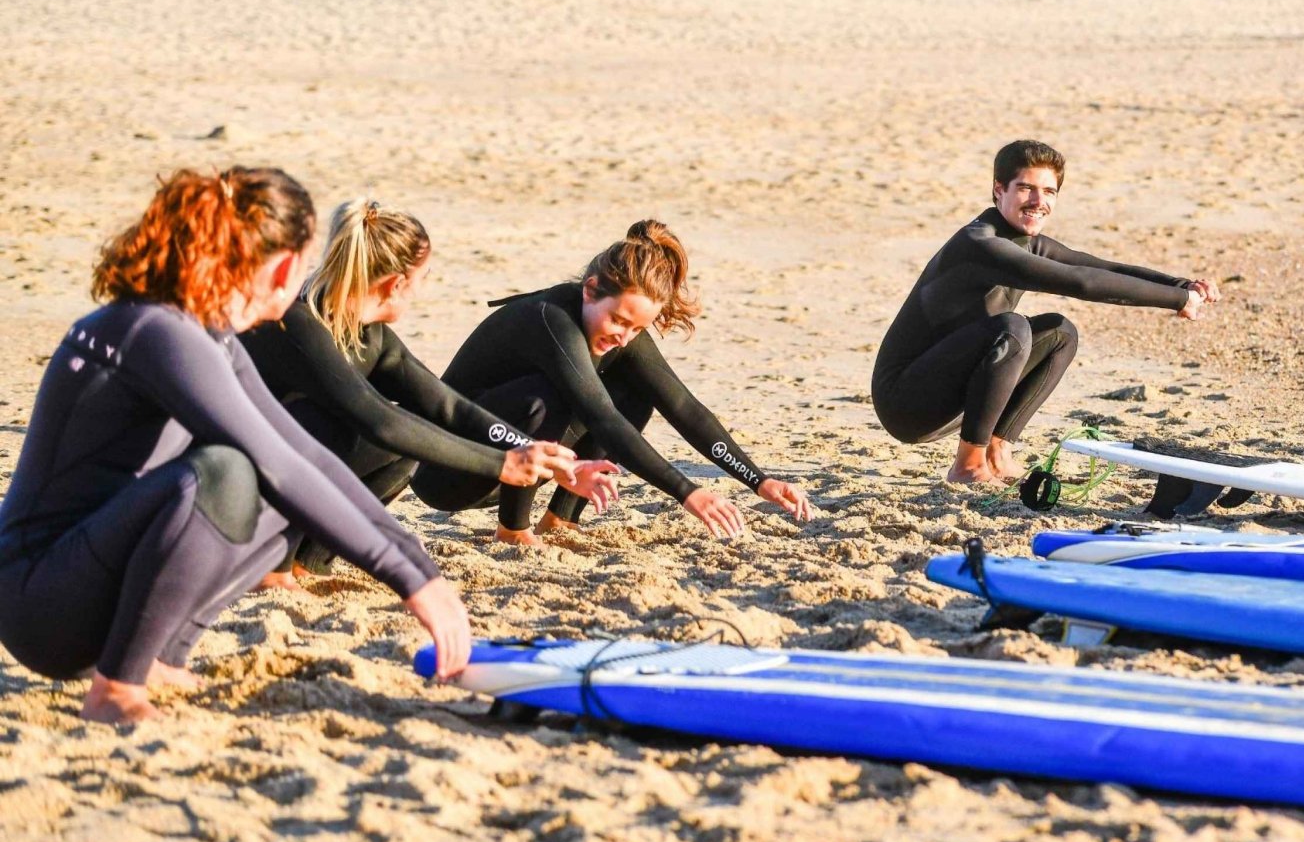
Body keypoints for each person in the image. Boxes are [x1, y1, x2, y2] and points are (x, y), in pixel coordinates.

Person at [0, 168, 473, 724]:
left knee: (276, 481)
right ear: (284, 266)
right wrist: (411, 581)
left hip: (84, 585)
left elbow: (306, 455)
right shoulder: (156, 331)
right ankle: (117, 689)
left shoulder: (206, 332)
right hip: (41, 603)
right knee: (226, 472)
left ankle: (159, 658)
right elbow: (275, 463)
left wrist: (420, 567)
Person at [240, 199, 619, 584]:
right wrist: (500, 465)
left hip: (271, 475)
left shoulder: (371, 336)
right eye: (423, 279)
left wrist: (547, 461)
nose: (421, 290)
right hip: (228, 487)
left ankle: (308, 561)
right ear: (396, 284)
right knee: (346, 427)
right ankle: (273, 566)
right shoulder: (298, 324)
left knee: (410, 444)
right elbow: (379, 421)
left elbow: (450, 407)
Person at [410, 219, 815, 544]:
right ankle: (513, 529)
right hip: (452, 473)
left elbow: (684, 407)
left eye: (637, 328)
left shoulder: (622, 333)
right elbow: (601, 418)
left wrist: (758, 480)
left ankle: (560, 519)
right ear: (590, 291)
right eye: (619, 320)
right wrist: (687, 491)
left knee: (633, 395)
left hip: (523, 467)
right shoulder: (553, 320)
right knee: (548, 400)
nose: (623, 336)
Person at [871, 140, 1220, 484]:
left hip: (953, 394)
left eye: (1049, 192)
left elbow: (1098, 267)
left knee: (1060, 333)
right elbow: (1081, 283)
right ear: (998, 190)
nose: (1039, 202)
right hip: (906, 404)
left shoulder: (1026, 241)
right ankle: (968, 465)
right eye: (1025, 189)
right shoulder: (981, 244)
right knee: (1011, 329)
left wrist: (1181, 285)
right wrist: (1177, 301)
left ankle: (997, 451)